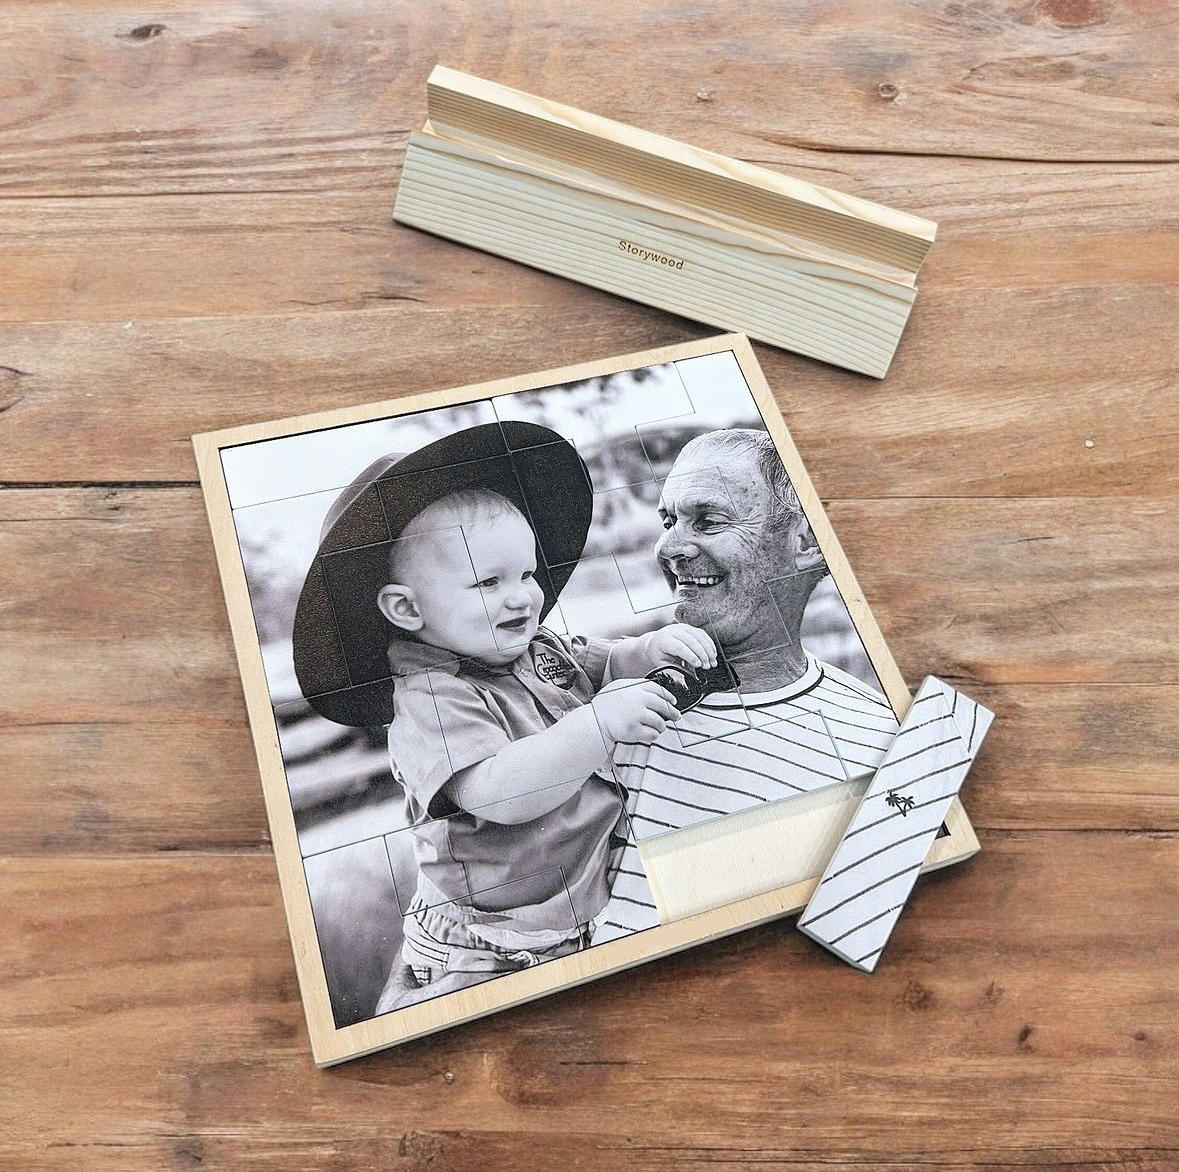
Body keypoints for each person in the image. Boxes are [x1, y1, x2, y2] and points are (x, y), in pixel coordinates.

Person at [290, 421, 714, 1009]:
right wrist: (596, 727)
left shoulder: (532, 647)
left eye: (526, 573)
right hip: (484, 943)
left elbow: (599, 665)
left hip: (567, 908)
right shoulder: (432, 700)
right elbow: (499, 792)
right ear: (407, 609)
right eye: (488, 582)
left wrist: (645, 652)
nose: (522, 596)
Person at [596, 428, 903, 939]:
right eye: (668, 520)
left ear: (805, 543)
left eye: (708, 521)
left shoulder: (881, 740)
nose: (668, 546)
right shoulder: (592, 701)